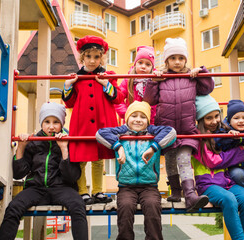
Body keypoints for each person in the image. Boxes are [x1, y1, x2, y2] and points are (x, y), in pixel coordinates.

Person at [0, 102, 88, 240]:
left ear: (62, 124)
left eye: (56, 122)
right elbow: (18, 174)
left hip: (61, 188)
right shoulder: (34, 141)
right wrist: (21, 147)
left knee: (78, 205)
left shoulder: (68, 141)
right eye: (47, 121)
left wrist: (64, 149)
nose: (51, 126)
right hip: (36, 188)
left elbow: (72, 177)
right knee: (13, 207)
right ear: (41, 123)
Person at [144, 37, 213, 212]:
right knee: (170, 160)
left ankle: (190, 194)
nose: (177, 62)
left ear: (186, 60)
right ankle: (175, 191)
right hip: (166, 130)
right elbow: (149, 100)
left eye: (181, 58)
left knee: (183, 159)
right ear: (166, 60)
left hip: (187, 129)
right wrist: (153, 80)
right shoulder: (161, 78)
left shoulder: (191, 77)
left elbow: (208, 88)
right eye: (173, 58)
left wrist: (202, 72)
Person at [96, 101, 176, 240]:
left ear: (148, 120)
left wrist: (153, 148)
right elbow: (100, 133)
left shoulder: (152, 132)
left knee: (152, 208)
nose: (138, 119)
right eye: (134, 116)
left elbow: (171, 132)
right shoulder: (121, 132)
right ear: (127, 119)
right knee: (125, 209)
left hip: (149, 186)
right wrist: (118, 146)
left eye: (143, 117)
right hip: (126, 187)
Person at [62, 35, 123, 205]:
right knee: (81, 159)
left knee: (98, 159)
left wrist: (106, 85)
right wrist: (68, 86)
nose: (92, 61)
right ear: (82, 57)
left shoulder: (107, 76)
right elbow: (69, 102)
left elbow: (118, 98)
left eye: (96, 57)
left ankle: (97, 191)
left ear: (101, 58)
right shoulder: (76, 78)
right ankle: (82, 191)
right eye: (88, 56)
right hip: (82, 124)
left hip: (102, 124)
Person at [192, 95, 244, 240]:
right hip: (207, 184)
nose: (214, 121)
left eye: (217, 116)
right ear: (200, 120)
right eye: (209, 118)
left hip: (227, 182)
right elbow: (212, 162)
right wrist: (239, 152)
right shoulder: (197, 138)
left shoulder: (223, 132)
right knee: (229, 200)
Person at [114, 46, 157, 124]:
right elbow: (118, 99)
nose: (143, 67)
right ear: (135, 64)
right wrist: (127, 114)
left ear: (152, 68)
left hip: (149, 122)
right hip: (131, 123)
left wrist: (151, 117)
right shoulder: (128, 80)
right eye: (140, 63)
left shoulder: (154, 81)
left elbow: (158, 102)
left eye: (148, 64)